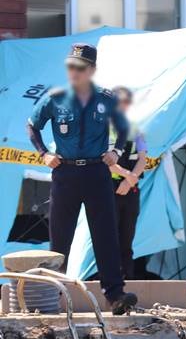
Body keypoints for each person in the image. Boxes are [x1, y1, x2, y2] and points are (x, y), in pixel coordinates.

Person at [27, 43, 136, 315]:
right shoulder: (56, 97)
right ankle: (50, 298)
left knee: (105, 234)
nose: (73, 72)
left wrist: (116, 151)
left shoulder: (106, 98)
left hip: (97, 171)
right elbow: (32, 125)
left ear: (92, 70)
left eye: (80, 67)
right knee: (60, 236)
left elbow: (123, 127)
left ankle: (115, 296)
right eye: (70, 66)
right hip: (65, 172)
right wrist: (43, 153)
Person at [109, 86, 147, 279]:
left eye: (126, 102)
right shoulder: (102, 127)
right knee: (108, 240)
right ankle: (109, 283)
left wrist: (130, 181)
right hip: (109, 188)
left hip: (130, 189)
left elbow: (143, 158)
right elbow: (103, 159)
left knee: (127, 240)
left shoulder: (135, 128)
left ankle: (128, 281)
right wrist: (126, 176)